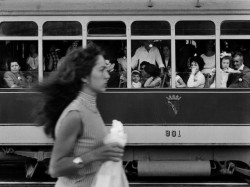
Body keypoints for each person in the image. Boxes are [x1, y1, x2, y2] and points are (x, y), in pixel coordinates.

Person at [36, 46, 124, 186]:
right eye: (101, 70)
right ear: (84, 76)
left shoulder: (90, 108)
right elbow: (55, 168)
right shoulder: (75, 114)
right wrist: (95, 155)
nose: (107, 75)